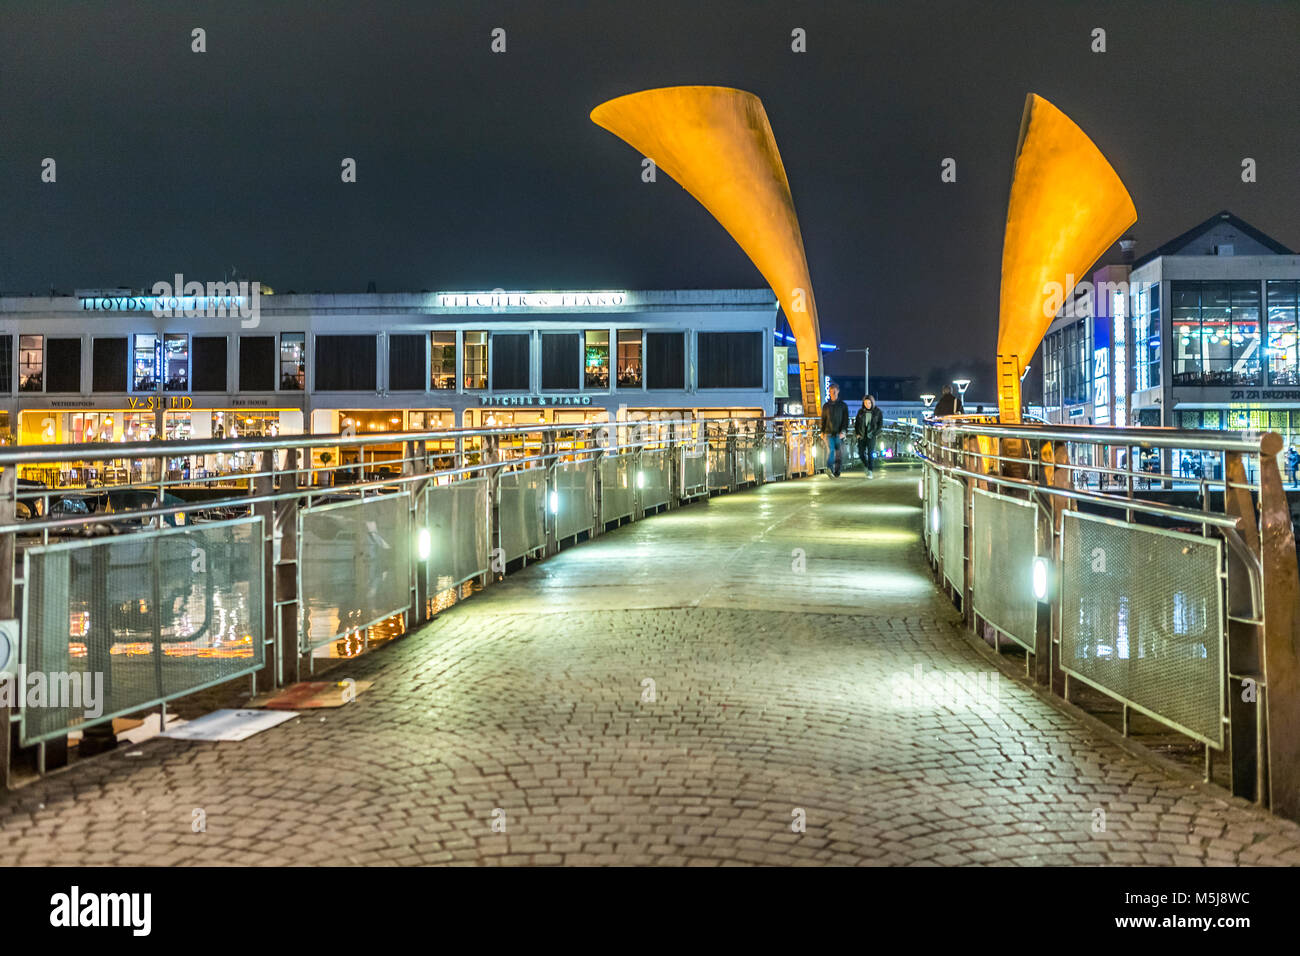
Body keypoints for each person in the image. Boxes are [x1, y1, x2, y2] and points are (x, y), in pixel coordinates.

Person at [819, 383, 850, 478]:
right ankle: (829, 469)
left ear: (838, 391)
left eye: (835, 391)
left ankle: (837, 471)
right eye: (831, 391)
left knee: (839, 452)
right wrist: (822, 431)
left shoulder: (843, 405)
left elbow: (845, 419)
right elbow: (823, 419)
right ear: (829, 392)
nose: (833, 393)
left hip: (839, 432)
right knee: (831, 450)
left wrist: (844, 431)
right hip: (828, 432)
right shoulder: (826, 406)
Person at [854, 394, 883, 478]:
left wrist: (875, 434)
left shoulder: (877, 412)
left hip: (871, 435)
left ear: (872, 403)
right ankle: (866, 465)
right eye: (865, 403)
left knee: (870, 453)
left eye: (869, 403)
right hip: (862, 435)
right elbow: (856, 424)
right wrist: (857, 434)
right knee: (860, 453)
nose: (867, 405)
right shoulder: (861, 412)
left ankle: (870, 470)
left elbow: (880, 424)